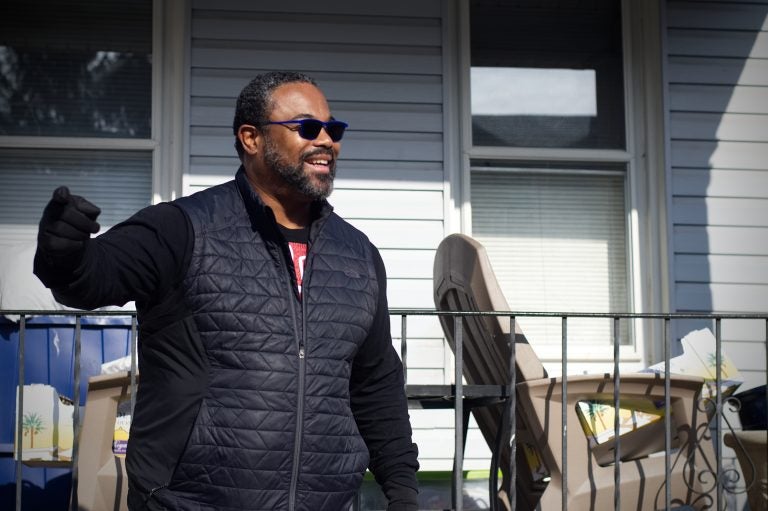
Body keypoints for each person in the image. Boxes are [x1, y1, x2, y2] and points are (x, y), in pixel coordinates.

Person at [34, 71, 420, 510]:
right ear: (251, 138)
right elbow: (89, 279)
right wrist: (62, 252)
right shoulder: (182, 229)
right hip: (188, 503)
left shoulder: (359, 257)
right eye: (308, 128)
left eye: (334, 129)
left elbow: (375, 385)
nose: (326, 141)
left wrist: (402, 492)